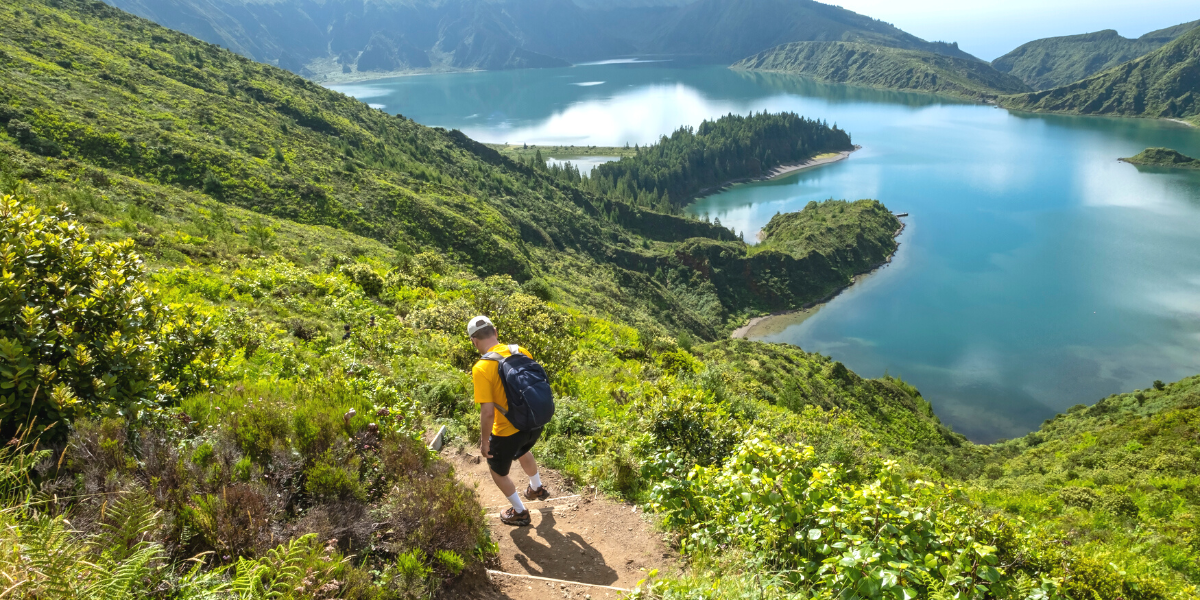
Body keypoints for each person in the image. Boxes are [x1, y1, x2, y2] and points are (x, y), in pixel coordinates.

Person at [469, 315, 550, 526]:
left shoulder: (481, 367)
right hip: (533, 423)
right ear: (495, 332)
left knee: (497, 470)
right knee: (523, 450)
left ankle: (520, 511)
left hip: (507, 431)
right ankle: (536, 487)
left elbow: (487, 412)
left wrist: (485, 442)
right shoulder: (520, 350)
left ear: (474, 341)